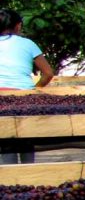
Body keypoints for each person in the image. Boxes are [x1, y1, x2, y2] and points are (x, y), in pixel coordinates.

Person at [0, 9, 55, 164]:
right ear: (18, 26)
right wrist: (35, 89)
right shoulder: (28, 44)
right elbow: (48, 73)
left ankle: (11, 179)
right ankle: (29, 176)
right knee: (26, 137)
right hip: (24, 96)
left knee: (5, 138)